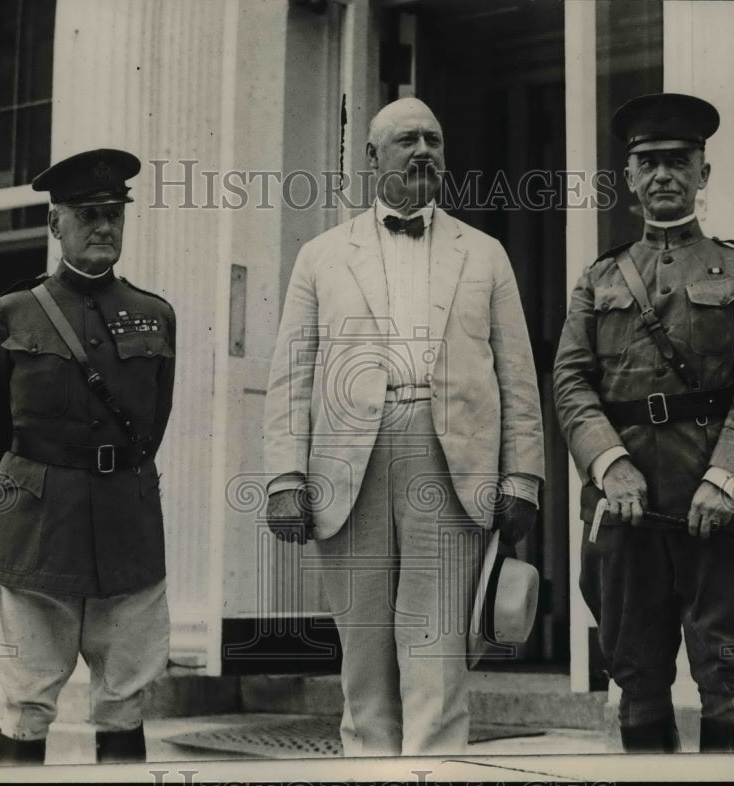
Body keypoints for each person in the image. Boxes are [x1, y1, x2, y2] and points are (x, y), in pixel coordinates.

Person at [262, 97, 544, 756]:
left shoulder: (485, 254)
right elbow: (291, 375)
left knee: (438, 653)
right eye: (407, 140)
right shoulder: (322, 256)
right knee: (363, 659)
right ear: (371, 157)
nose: (423, 152)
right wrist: (284, 477)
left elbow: (518, 378)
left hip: (449, 460)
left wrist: (523, 478)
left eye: (433, 140)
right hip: (347, 464)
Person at [553, 93, 734, 753]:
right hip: (628, 512)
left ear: (702, 173)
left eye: (678, 162)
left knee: (726, 671)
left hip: (721, 509)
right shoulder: (598, 279)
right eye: (649, 163)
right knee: (635, 674)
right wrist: (609, 465)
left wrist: (726, 479)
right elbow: (570, 380)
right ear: (629, 176)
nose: (663, 175)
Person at [0, 148, 176, 765]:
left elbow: (152, 426)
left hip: (126, 528)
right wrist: (31, 491)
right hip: (37, 530)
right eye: (88, 215)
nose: (104, 227)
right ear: (55, 223)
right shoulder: (11, 314)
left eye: (114, 214)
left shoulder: (155, 315)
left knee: (125, 698)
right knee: (26, 701)